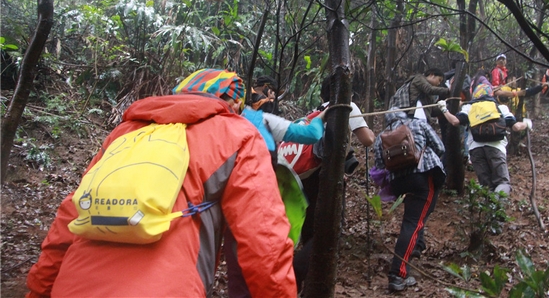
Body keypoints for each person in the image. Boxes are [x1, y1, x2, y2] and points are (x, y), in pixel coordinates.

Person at [26, 68, 297, 298]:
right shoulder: (238, 134)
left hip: (73, 286)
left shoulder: (126, 131)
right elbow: (265, 243)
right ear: (234, 104)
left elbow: (70, 218)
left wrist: (39, 291)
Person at [226, 85, 327, 298]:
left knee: (238, 268)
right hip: (264, 203)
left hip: (228, 208)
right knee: (269, 261)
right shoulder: (261, 120)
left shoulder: (210, 126)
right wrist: (321, 117)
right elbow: (311, 134)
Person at [293, 75, 375, 293]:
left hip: (305, 177)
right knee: (329, 230)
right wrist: (373, 134)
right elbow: (367, 139)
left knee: (310, 230)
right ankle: (296, 270)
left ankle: (305, 285)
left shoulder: (316, 110)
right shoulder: (346, 106)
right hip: (326, 178)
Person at [373, 109, 447, 292]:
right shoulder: (418, 124)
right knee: (413, 222)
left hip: (398, 183)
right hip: (422, 177)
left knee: (413, 220)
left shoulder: (381, 136)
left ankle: (415, 248)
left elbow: (380, 164)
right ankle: (398, 274)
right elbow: (440, 147)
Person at [440, 83, 531, 195]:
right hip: (496, 148)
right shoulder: (501, 108)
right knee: (503, 182)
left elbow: (455, 121)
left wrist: (443, 109)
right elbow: (516, 127)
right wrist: (527, 124)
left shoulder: (469, 107)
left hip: (476, 150)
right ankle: (498, 205)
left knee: (486, 186)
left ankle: (489, 209)